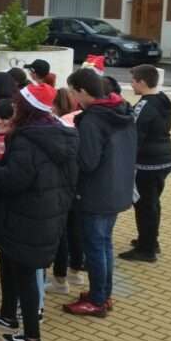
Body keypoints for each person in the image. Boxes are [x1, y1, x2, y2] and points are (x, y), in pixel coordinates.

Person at [0, 84, 78, 341]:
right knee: (9, 262)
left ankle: (32, 337)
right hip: (42, 214)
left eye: (17, 104)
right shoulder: (61, 133)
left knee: (24, 272)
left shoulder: (27, 139)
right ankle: (7, 315)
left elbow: (14, 180)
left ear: (27, 108)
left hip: (28, 216)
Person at [63, 69, 136, 317]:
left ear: (82, 91)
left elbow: (88, 162)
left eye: (72, 91)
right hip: (117, 189)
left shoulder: (93, 120)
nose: (72, 96)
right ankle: (103, 294)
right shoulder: (121, 110)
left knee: (95, 246)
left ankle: (96, 301)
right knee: (103, 245)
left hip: (96, 193)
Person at [120, 65, 171, 263]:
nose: (131, 84)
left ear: (142, 82)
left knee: (144, 205)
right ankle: (150, 240)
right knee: (152, 203)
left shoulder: (144, 106)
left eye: (133, 81)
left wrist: (126, 161)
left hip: (149, 163)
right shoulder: (163, 100)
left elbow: (135, 137)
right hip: (166, 158)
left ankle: (146, 250)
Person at [49, 90, 85, 293]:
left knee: (61, 234)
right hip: (80, 186)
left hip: (62, 187)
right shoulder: (82, 121)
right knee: (76, 230)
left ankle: (60, 280)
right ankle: (76, 272)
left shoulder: (58, 125)